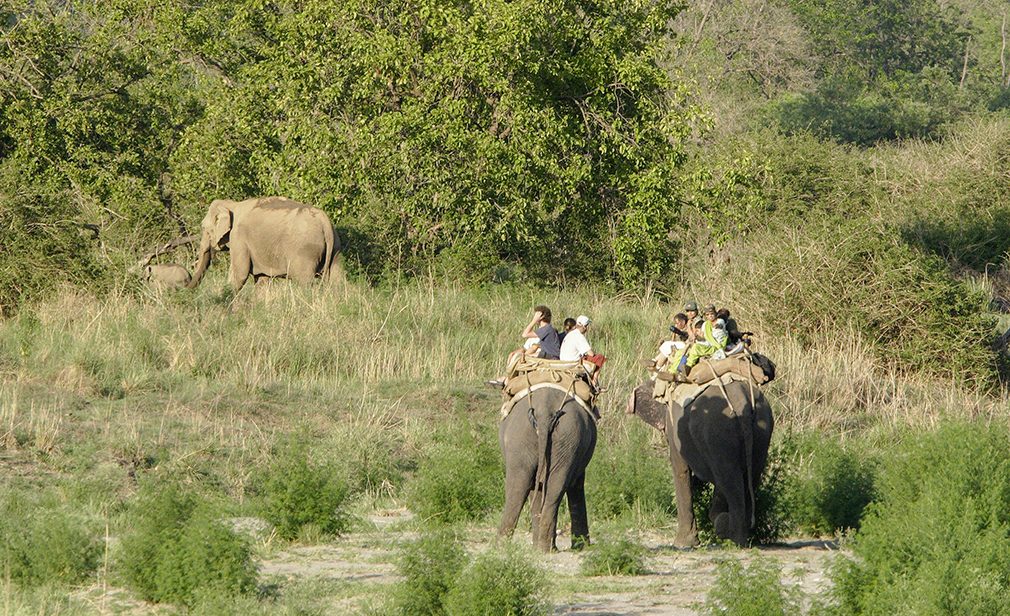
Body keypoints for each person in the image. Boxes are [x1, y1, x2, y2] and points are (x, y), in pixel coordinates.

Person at [560, 315, 605, 387]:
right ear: (584, 326)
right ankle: (594, 380)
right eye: (587, 326)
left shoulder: (570, 334)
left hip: (564, 361)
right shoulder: (579, 336)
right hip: (572, 363)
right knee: (600, 358)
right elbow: (591, 354)